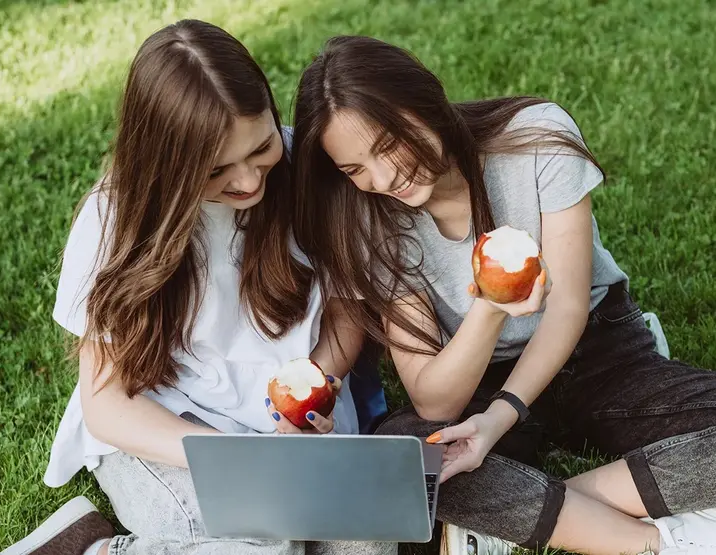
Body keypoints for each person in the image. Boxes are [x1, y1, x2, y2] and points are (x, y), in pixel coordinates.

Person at [289, 34, 716, 555]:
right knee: (403, 467)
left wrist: (503, 418)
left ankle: (524, 516)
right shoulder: (363, 218)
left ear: (425, 104)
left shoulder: (536, 137)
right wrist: (489, 309)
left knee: (431, 497)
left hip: (593, 350)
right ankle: (649, 537)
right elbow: (434, 396)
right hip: (472, 376)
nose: (381, 179)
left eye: (386, 146)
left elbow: (567, 307)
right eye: (354, 170)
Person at [0, 21, 394, 555]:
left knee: (366, 546)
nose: (250, 181)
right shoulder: (112, 220)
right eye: (215, 171)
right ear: (166, 165)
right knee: (264, 546)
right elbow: (109, 405)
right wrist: (235, 455)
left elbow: (348, 310)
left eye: (261, 148)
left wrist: (314, 387)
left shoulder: (307, 172)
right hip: (168, 431)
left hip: (296, 424)